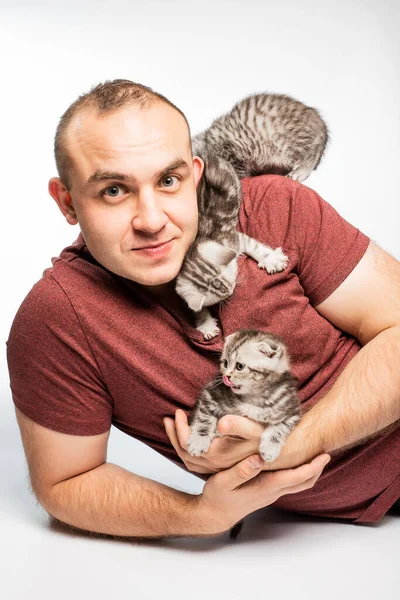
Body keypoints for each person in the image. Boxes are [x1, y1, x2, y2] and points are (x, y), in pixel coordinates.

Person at [6, 79, 400, 540]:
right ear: (67, 201)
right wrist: (199, 515)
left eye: (168, 181)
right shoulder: (56, 321)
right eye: (114, 190)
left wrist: (285, 446)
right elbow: (65, 483)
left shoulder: (276, 206)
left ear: (196, 174)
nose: (152, 220)